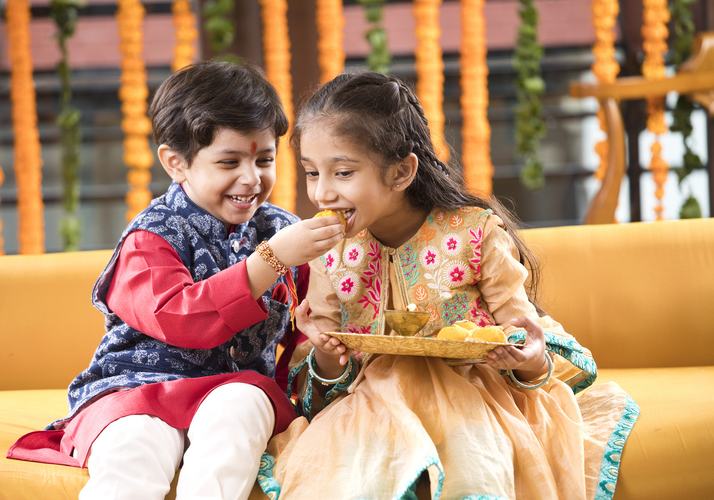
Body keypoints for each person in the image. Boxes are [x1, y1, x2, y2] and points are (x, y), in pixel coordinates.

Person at [255, 72, 639, 500]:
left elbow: (526, 346)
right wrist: (327, 353)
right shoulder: (331, 252)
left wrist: (526, 356)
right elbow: (324, 385)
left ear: (401, 172)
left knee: (471, 470)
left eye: (343, 172)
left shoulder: (477, 233)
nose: (323, 192)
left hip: (476, 397)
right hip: (374, 406)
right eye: (311, 172)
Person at [7, 61, 345, 500]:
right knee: (134, 450)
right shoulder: (152, 236)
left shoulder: (281, 230)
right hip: (139, 390)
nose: (250, 178)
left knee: (242, 407)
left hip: (234, 391)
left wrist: (320, 343)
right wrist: (271, 259)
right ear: (175, 163)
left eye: (264, 159)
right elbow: (182, 319)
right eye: (229, 161)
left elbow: (302, 338)